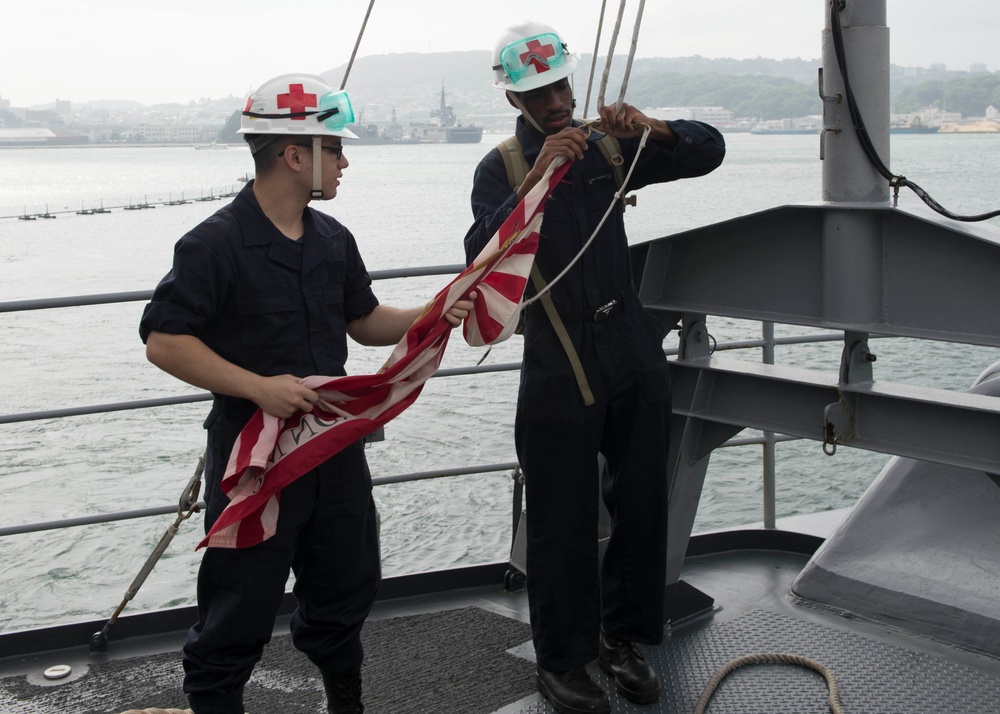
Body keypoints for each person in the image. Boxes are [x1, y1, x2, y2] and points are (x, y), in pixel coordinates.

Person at [139, 73, 475, 714]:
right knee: (239, 601)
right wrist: (258, 388)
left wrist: (434, 310)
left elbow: (365, 322)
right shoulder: (215, 244)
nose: (345, 161)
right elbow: (164, 340)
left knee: (346, 586)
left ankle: (344, 700)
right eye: (334, 148)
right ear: (295, 154)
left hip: (332, 450)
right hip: (252, 458)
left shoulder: (331, 240)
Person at [463, 23, 726, 714]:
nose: (554, 101)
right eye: (536, 93)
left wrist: (658, 128)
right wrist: (545, 171)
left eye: (559, 86)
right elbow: (482, 253)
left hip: (630, 343)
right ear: (514, 100)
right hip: (558, 354)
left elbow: (710, 152)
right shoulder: (503, 167)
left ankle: (624, 639)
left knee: (642, 501)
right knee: (562, 517)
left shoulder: (610, 146)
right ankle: (563, 661)